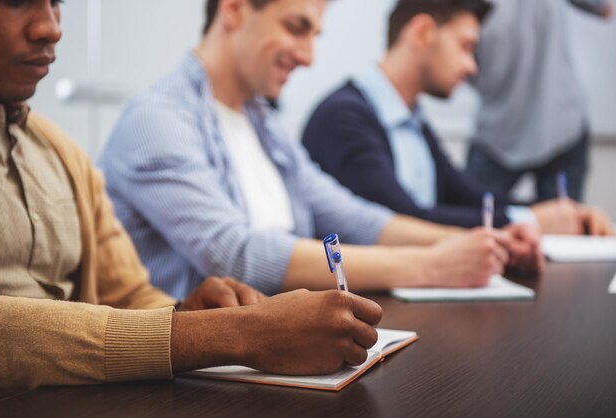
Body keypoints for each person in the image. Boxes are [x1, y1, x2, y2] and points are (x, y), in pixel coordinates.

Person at [0, 0, 384, 391]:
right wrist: (227, 335)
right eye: (16, 2)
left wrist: (183, 313)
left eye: (57, 3)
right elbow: (234, 252)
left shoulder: (61, 152)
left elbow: (124, 293)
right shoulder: (156, 119)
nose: (51, 28)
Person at [100, 0, 542, 301]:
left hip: (269, 352)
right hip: (191, 381)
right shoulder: (155, 121)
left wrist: (482, 243)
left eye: (316, 35)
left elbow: (351, 215)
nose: (310, 56)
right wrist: (430, 266)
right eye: (296, 28)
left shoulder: (264, 125)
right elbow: (237, 255)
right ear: (234, 9)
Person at [302, 0, 614, 235]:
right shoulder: (343, 118)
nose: (472, 67)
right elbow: (405, 222)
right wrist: (531, 221)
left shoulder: (411, 120)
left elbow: (469, 195)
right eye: (466, 47)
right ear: (423, 33)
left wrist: (563, 212)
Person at [466, 0, 613, 203]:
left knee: (564, 227)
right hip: (498, 134)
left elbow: (605, 9)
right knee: (472, 218)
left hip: (560, 130)